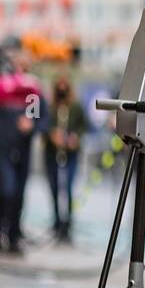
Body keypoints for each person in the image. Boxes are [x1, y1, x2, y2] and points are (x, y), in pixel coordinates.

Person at [0, 55, 45, 256]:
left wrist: (32, 125)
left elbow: (39, 117)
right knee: (4, 190)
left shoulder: (31, 92)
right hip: (0, 149)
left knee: (18, 194)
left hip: (22, 150)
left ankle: (12, 236)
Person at [42, 75, 87, 243]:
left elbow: (84, 126)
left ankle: (68, 224)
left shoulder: (76, 106)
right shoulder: (49, 107)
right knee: (54, 187)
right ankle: (56, 222)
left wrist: (75, 137)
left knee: (67, 187)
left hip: (71, 154)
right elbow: (43, 125)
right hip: (52, 153)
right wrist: (52, 135)